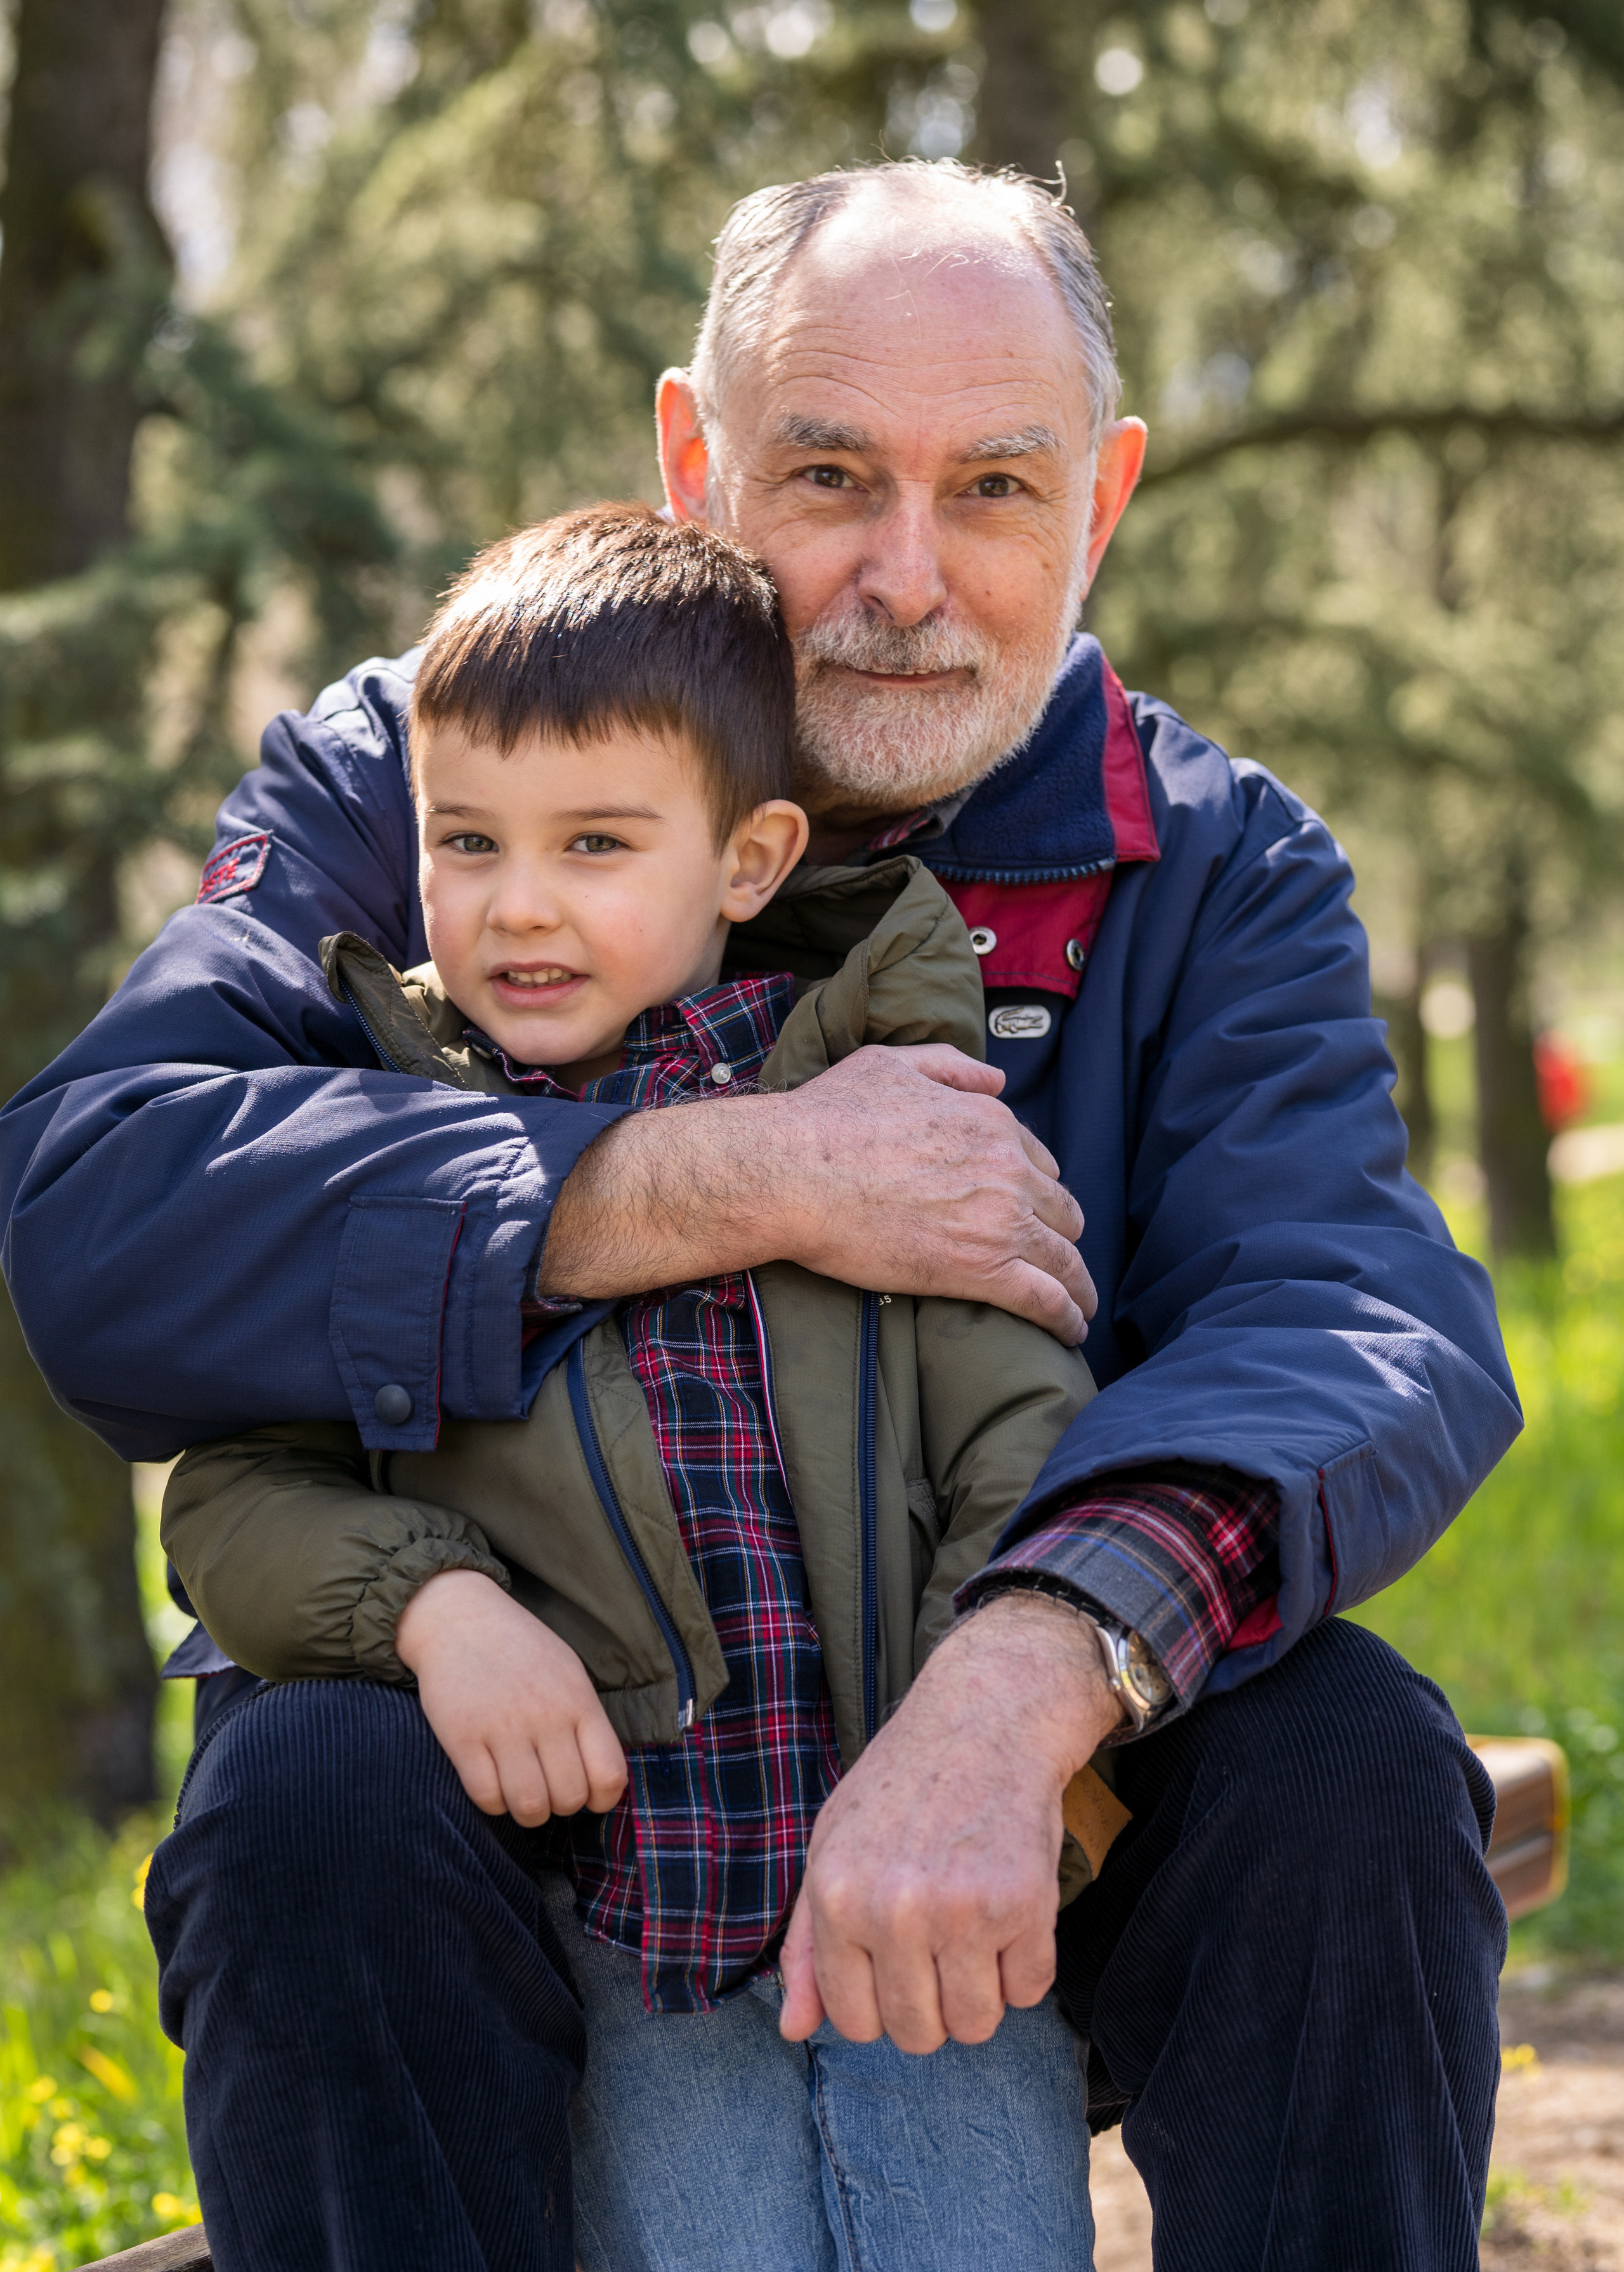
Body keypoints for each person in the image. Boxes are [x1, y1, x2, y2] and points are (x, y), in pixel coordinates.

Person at [1, 161, 1520, 2272]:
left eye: (995, 487)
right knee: (306, 1809)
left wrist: (1027, 1680)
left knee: (1352, 1775)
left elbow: (1360, 1319)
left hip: (1024, 1767)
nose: (906, 578)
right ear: (694, 459)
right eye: (828, 475)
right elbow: (105, 1210)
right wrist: (702, 1180)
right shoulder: (436, 768)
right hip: (522, 1739)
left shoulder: (1210, 858)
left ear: (1103, 501)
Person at [160, 497, 1126, 2266]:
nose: (519, 908)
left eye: (597, 843)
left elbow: (1023, 1426)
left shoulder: (884, 1097)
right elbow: (234, 1493)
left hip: (917, 1907)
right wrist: (433, 1607)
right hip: (633, 1927)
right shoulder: (390, 1136)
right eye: (467, 843)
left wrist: (997, 1757)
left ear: (746, 860)